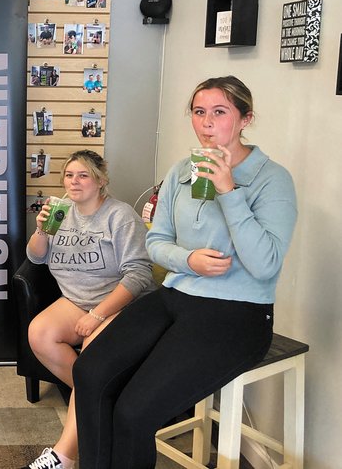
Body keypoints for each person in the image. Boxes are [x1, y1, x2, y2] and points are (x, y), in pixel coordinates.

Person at [72, 76, 297, 468]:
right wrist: (187, 261)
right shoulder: (181, 172)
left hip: (238, 312)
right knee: (90, 372)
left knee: (134, 412)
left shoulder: (272, 179)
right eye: (199, 112)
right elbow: (155, 241)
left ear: (245, 119)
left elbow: (265, 265)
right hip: (176, 296)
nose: (207, 122)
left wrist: (229, 191)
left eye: (220, 112)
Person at [22, 150, 154, 469]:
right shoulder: (60, 210)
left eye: (83, 175)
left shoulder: (119, 216)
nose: (74, 181)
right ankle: (100, 398)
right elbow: (36, 258)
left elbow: (139, 273)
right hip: (76, 300)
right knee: (39, 334)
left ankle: (63, 456)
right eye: (69, 175)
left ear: (101, 180)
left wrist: (97, 315)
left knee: (91, 363)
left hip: (119, 302)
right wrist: (41, 231)